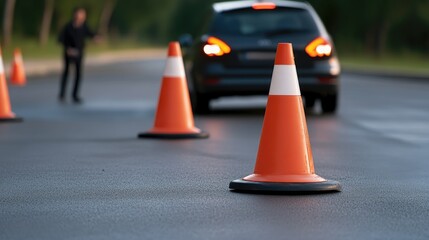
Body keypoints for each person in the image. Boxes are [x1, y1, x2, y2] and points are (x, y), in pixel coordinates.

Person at [58, 7, 99, 104]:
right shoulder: (68, 26)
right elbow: (61, 39)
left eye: (83, 15)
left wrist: (96, 38)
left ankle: (75, 95)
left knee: (78, 74)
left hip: (79, 53)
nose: (81, 16)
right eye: (79, 14)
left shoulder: (84, 26)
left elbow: (91, 34)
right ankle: (62, 94)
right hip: (68, 52)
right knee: (66, 73)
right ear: (75, 15)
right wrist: (67, 48)